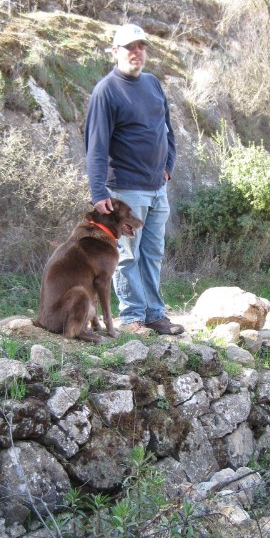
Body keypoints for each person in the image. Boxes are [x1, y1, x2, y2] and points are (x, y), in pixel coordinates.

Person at [84, 23, 184, 336]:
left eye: (141, 46)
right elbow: (96, 145)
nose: (136, 52)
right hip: (125, 191)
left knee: (153, 253)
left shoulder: (153, 84)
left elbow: (167, 130)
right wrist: (99, 190)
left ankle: (155, 314)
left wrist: (168, 166)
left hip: (157, 189)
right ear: (115, 52)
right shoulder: (106, 91)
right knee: (127, 258)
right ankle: (132, 318)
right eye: (129, 47)